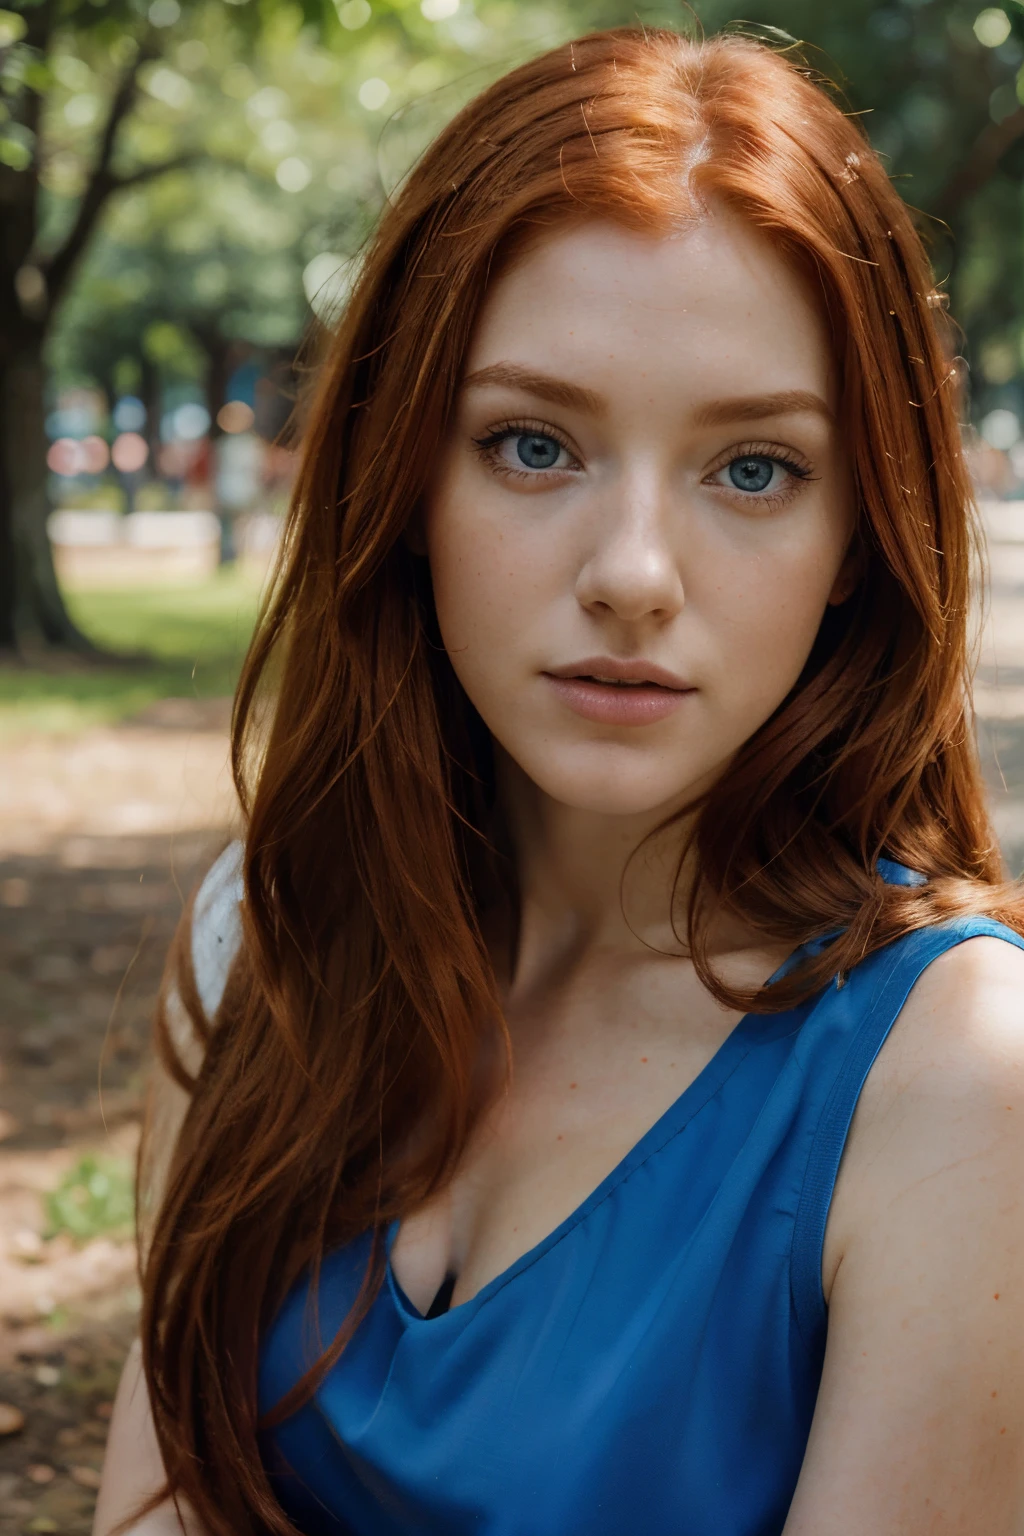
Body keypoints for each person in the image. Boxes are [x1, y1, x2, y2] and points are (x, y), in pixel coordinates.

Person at [95, 24, 1024, 1536]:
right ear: (405, 480)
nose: (635, 576)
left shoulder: (958, 1081)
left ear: (861, 537)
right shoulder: (267, 933)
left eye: (753, 469)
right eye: (533, 444)